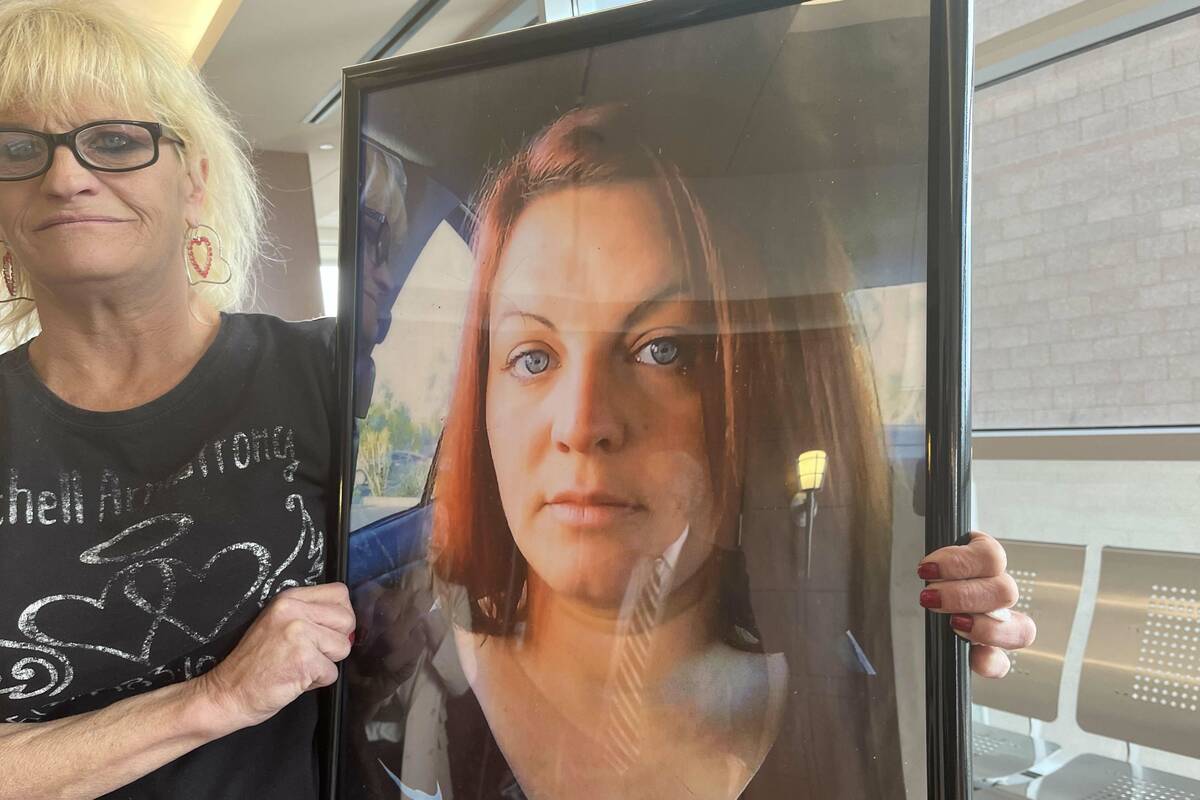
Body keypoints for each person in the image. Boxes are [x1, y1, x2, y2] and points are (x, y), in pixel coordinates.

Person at [344, 107, 1036, 799]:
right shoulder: (379, 685)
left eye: (664, 350)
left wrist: (928, 683)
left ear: (763, 402)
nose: (583, 423)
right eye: (532, 357)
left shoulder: (859, 722)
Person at [0, 2, 353, 798]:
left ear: (193, 180)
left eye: (117, 141)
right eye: (19, 149)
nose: (64, 176)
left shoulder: (333, 371)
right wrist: (214, 700)